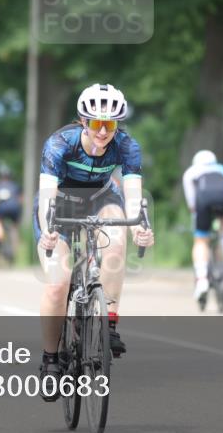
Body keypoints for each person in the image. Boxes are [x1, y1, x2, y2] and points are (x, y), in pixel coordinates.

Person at [36, 83, 154, 400]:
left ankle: (109, 323)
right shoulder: (60, 143)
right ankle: (50, 360)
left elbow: (133, 198)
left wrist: (139, 228)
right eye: (97, 124)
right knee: (57, 284)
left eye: (111, 125)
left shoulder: (127, 147)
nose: (103, 132)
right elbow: (46, 195)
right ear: (83, 122)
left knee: (116, 243)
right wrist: (47, 229)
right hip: (59, 205)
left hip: (101, 199)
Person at [181, 149, 223, 301]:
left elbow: (192, 204)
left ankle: (202, 279)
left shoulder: (191, 172)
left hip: (204, 199)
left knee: (201, 240)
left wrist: (196, 216)